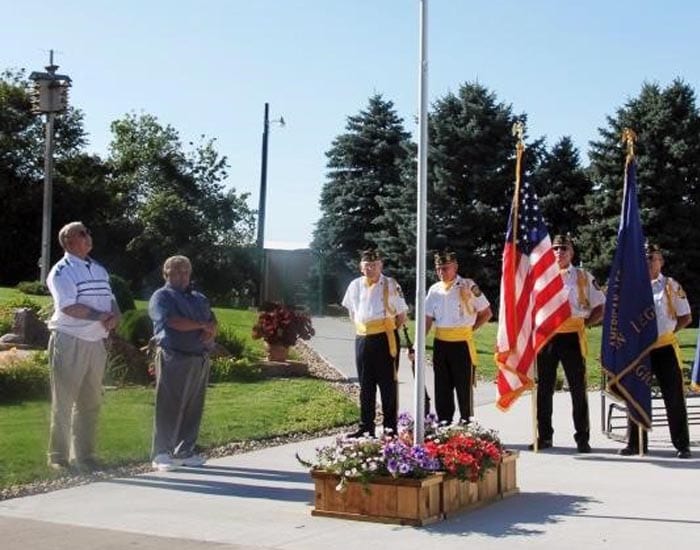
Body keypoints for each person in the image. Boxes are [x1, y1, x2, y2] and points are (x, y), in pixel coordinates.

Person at [46, 221, 120, 471]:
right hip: (70, 340)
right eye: (82, 233)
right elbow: (68, 306)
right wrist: (101, 317)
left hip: (95, 342)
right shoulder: (61, 271)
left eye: (88, 232)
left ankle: (86, 456)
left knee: (90, 402)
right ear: (68, 241)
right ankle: (58, 457)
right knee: (64, 402)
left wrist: (114, 318)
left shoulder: (99, 269)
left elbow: (111, 300)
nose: (88, 236)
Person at [532, 234, 605, 453]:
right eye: (555, 248)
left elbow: (600, 305)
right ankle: (544, 436)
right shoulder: (541, 276)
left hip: (573, 334)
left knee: (577, 388)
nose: (559, 252)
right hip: (547, 335)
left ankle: (582, 437)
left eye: (564, 248)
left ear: (571, 252)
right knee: (544, 388)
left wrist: (586, 323)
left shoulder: (583, 276)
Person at [619, 243, 692, 459]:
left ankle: (682, 444)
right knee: (635, 395)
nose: (649, 261)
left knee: (674, 396)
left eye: (653, 257)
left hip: (664, 348)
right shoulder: (632, 286)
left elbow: (685, 316)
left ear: (661, 261)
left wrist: (668, 333)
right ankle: (635, 443)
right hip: (640, 350)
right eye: (646, 257)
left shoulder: (670, 285)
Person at [149, 255, 217, 471]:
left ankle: (184, 451)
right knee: (169, 405)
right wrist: (201, 326)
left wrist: (210, 330)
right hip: (174, 356)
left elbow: (212, 321)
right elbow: (172, 322)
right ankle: (161, 453)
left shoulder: (199, 298)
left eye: (186, 271)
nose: (182, 275)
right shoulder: (162, 296)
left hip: (199, 358)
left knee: (193, 407)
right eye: (177, 271)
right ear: (166, 273)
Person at [342, 249, 408, 437]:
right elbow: (352, 312)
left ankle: (390, 429)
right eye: (367, 265)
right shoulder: (355, 285)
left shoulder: (390, 284)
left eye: (374, 265)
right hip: (363, 338)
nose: (370, 268)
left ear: (381, 266)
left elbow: (401, 315)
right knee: (366, 384)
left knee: (388, 385)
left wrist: (386, 328)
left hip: (384, 338)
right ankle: (366, 427)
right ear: (361, 267)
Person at [425, 250, 492, 424]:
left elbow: (486, 312)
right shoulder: (434, 290)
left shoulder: (468, 286)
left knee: (463, 386)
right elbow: (427, 319)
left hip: (461, 343)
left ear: (455, 267)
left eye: (445, 268)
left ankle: (467, 421)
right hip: (441, 343)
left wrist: (470, 329)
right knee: (442, 386)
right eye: (438, 269)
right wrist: (419, 342)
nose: (441, 272)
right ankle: (445, 421)